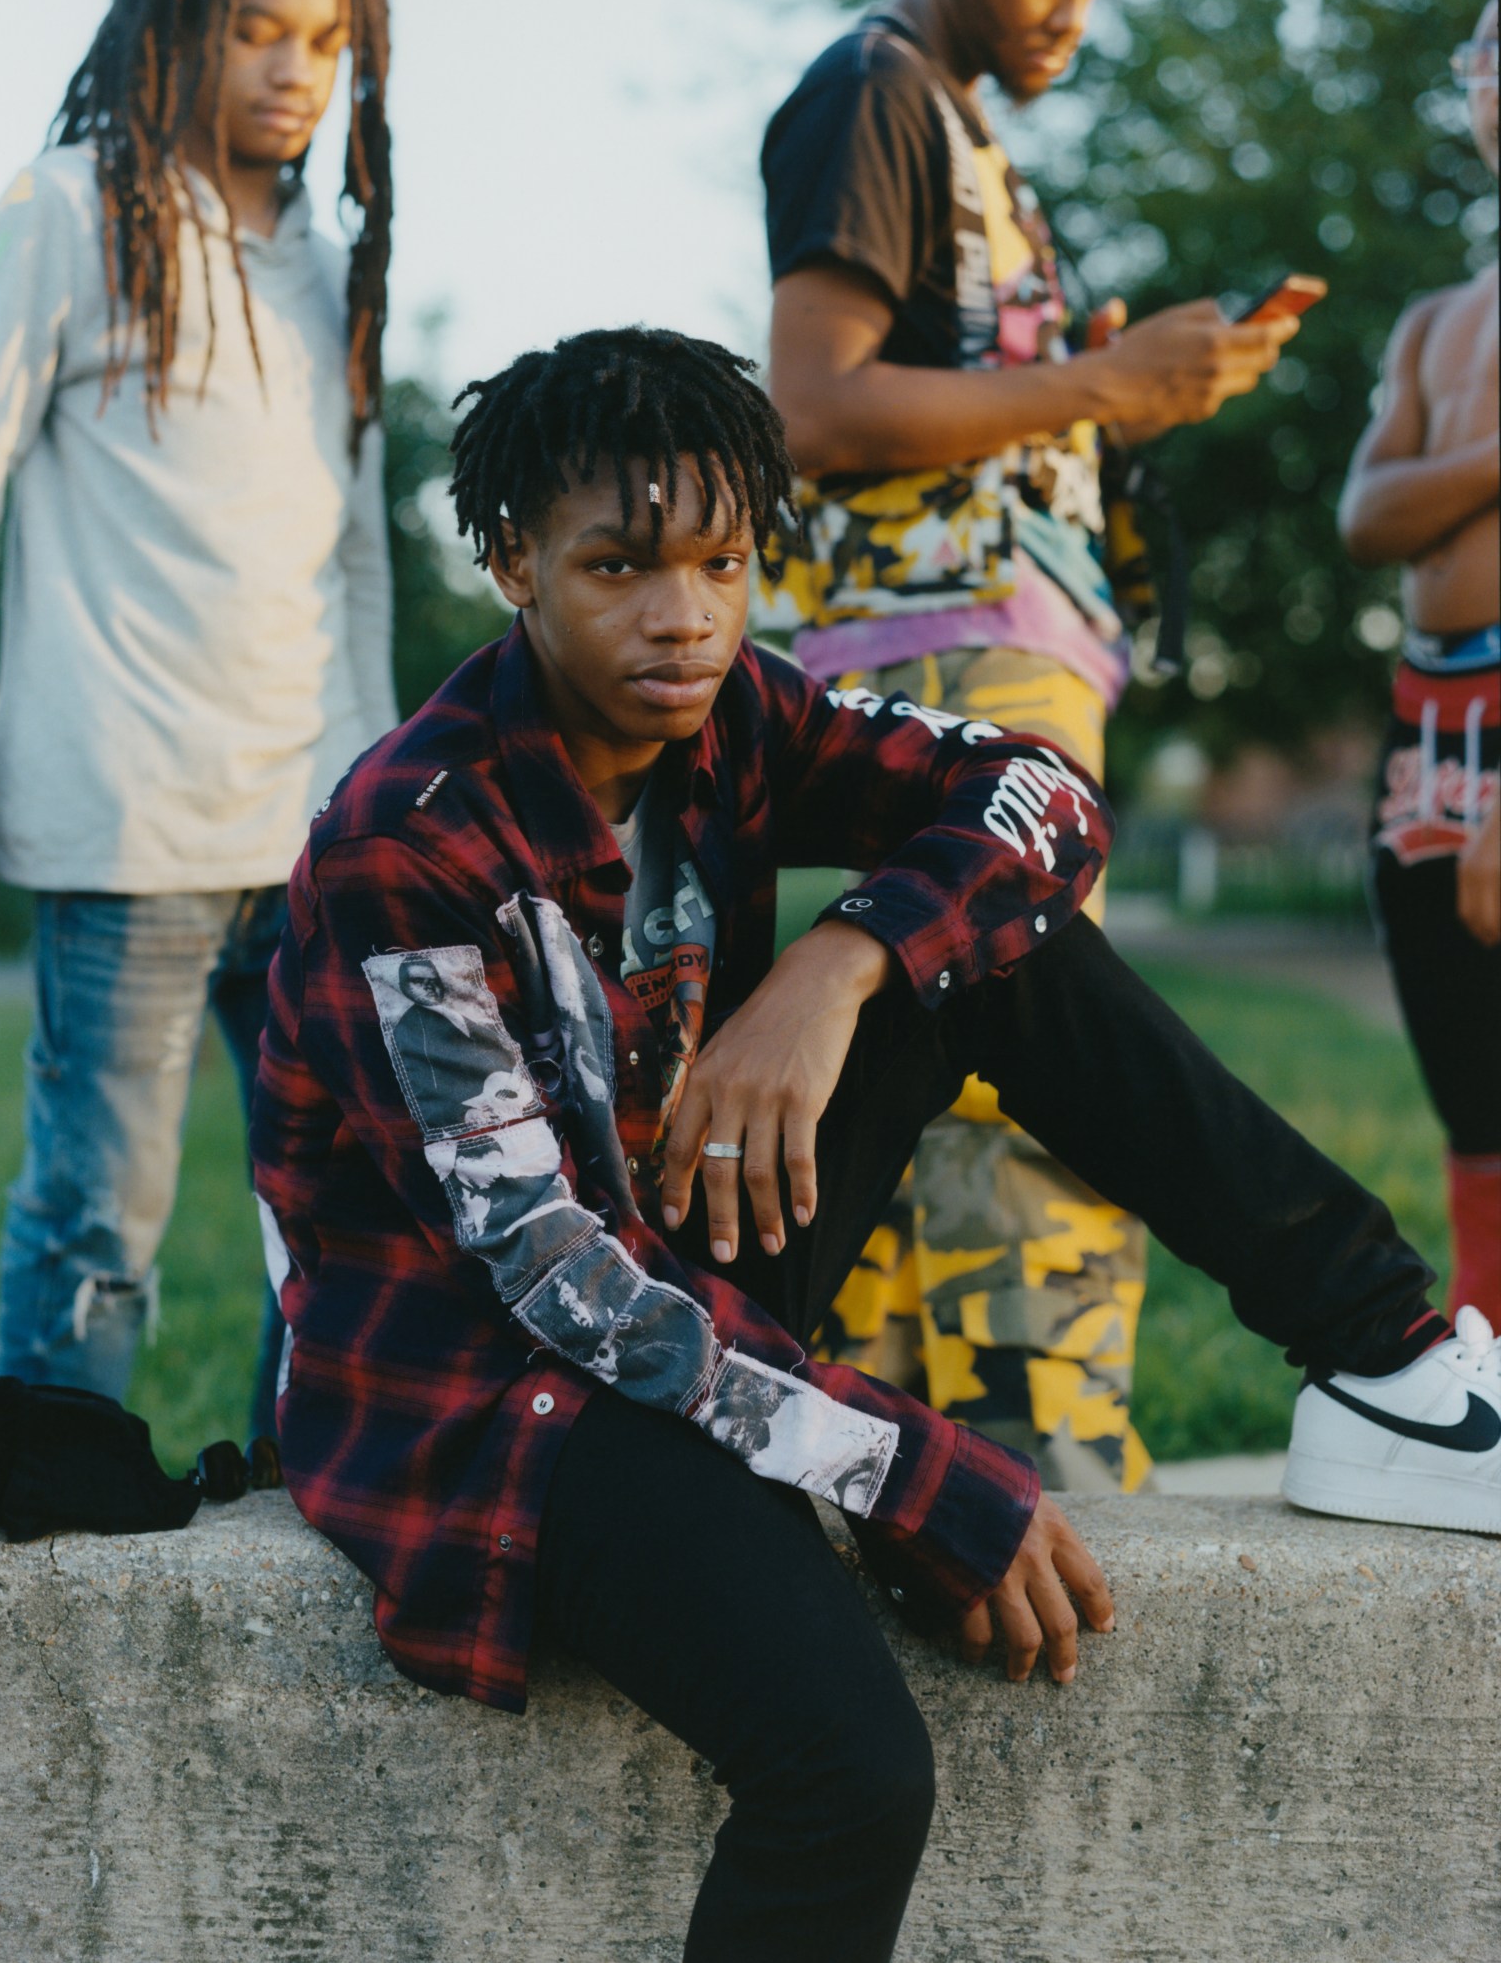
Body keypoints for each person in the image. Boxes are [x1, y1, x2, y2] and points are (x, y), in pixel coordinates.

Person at [249, 327, 1497, 1963]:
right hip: (500, 1395)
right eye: (618, 566)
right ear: (512, 566)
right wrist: (909, 1471)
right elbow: (555, 1282)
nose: (682, 616)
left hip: (677, 1267)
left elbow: (1040, 795)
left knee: (993, 935)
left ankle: (1385, 1361)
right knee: (850, 1768)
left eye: (719, 561)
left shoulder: (736, 719)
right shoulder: (404, 848)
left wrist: (840, 966)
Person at [756, 0, 1300, 1492]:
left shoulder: (952, 124)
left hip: (999, 654)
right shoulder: (872, 93)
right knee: (1033, 1092)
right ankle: (1037, 1473)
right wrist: (1096, 380)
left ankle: (920, 1466)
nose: (1072, 3)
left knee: (960, 1087)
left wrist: (1100, 393)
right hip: (952, 672)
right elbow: (810, 403)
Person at [0, 0, 397, 1437]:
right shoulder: (62, 210)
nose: (294, 69)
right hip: (127, 828)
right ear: (166, 23)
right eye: (256, 28)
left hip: (312, 837)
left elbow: (357, 554)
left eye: (326, 42)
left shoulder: (332, 263)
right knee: (98, 1225)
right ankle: (59, 1545)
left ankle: (294, 1516)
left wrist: (374, 810)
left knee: (351, 1220)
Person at [1337, 0, 1500, 1333]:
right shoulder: (1440, 324)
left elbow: (1406, 496)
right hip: (1428, 707)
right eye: (1489, 59)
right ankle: (1490, 1342)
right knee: (1466, 1066)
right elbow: (1366, 517)